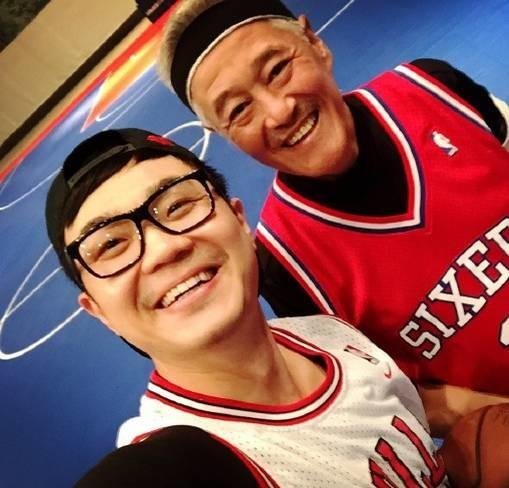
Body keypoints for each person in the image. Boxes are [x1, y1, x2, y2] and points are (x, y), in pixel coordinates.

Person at [157, 0, 509, 435]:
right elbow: (389, 393)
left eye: (277, 69)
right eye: (238, 110)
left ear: (315, 43)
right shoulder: (285, 266)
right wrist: (495, 419)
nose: (279, 111)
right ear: (223, 134)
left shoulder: (433, 87)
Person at [45, 129, 447, 486]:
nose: (164, 248)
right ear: (99, 311)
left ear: (240, 221)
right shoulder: (177, 461)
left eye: (178, 205)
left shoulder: (328, 335)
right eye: (112, 245)